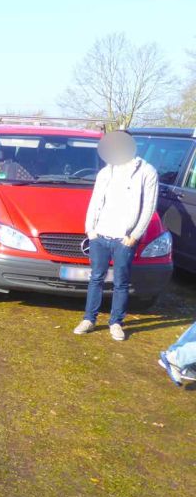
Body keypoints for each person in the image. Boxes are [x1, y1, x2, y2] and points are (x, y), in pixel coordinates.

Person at [73, 131, 159, 341]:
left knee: (121, 282)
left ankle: (116, 323)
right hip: (100, 235)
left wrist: (135, 235)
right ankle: (89, 319)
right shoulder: (105, 172)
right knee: (96, 278)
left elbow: (149, 206)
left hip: (124, 238)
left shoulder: (147, 172)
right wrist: (90, 229)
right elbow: (95, 201)